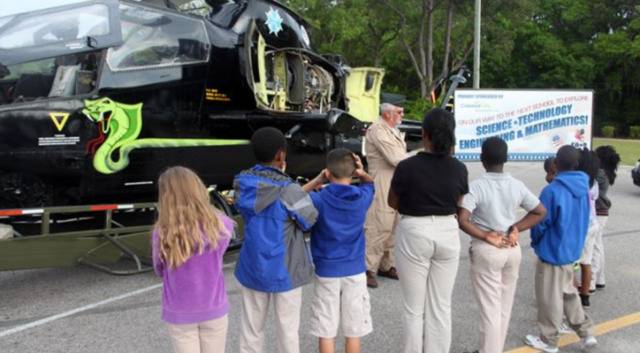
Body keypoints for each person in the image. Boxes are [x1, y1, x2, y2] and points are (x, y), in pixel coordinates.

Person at [388, 108, 468, 353]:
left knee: (414, 309)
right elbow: (460, 202)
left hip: (414, 230)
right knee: (441, 306)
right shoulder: (459, 168)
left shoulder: (407, 166)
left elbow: (393, 201)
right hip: (447, 230)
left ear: (424, 134)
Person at [233, 127, 318, 353]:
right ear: (281, 155)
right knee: (287, 331)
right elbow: (309, 220)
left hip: (252, 266)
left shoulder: (242, 184)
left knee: (251, 329)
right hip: (285, 270)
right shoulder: (288, 189)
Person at [458, 137, 546, 353]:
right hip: (511, 249)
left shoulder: (477, 186)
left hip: (488, 250)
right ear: (506, 159)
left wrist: (485, 235)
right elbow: (540, 211)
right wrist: (516, 227)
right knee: (504, 308)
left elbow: (462, 219)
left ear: (482, 159)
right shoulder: (516, 185)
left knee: (490, 310)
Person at [152, 166, 234, 353]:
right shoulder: (222, 225)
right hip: (214, 306)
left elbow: (159, 268)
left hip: (180, 311)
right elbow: (220, 253)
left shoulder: (162, 232)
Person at [524, 145, 597, 353]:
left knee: (549, 298)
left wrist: (537, 242)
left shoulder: (552, 190)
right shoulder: (584, 188)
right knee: (569, 294)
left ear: (556, 164)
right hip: (571, 249)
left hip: (552, 250)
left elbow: (540, 223)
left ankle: (549, 340)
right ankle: (586, 332)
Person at [303, 149, 375, 353]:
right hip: (355, 269)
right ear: (353, 172)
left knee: (326, 329)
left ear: (327, 172)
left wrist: (317, 179)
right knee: (353, 330)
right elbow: (371, 184)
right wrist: (361, 173)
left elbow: (293, 198)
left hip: (326, 270)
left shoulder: (319, 199)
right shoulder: (362, 197)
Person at [364, 103, 407, 288]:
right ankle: (368, 268)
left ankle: (386, 264)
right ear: (387, 113)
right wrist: (420, 159)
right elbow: (395, 157)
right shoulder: (378, 130)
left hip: (395, 179)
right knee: (379, 224)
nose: (402, 114)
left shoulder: (392, 129)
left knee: (393, 224)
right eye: (399, 112)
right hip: (381, 180)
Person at [591, 145, 621, 292]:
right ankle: (600, 278)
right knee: (598, 244)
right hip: (602, 212)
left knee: (594, 245)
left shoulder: (600, 173)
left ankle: (591, 281)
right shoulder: (605, 172)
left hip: (598, 212)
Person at [576, 149, 601, 307]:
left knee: (572, 262)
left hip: (581, 225)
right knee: (587, 261)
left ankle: (570, 292)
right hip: (593, 223)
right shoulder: (594, 182)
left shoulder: (579, 182)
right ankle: (585, 295)